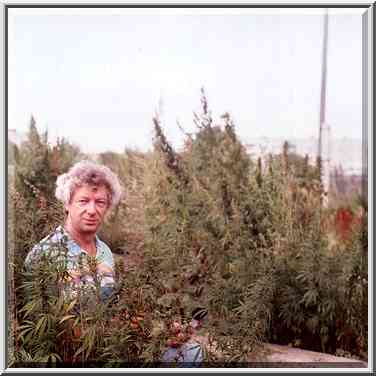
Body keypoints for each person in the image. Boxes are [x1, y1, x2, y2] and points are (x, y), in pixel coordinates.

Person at [25, 160, 123, 303]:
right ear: (67, 204)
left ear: (107, 207)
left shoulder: (105, 252)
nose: (92, 211)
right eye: (83, 201)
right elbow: (30, 316)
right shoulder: (43, 253)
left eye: (100, 202)